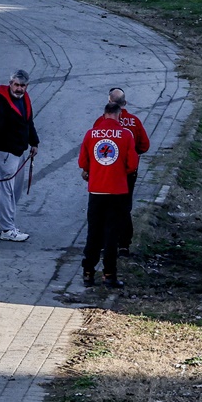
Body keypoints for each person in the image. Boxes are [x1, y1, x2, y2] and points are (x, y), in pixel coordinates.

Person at [79, 101, 140, 289]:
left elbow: (83, 161)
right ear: (119, 115)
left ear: (104, 114)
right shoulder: (126, 134)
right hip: (117, 191)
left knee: (93, 233)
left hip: (96, 191)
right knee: (112, 235)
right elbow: (132, 165)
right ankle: (109, 275)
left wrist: (93, 171)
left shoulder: (91, 133)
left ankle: (88, 272)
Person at [0, 68, 40, 242]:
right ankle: (8, 229)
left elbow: (28, 121)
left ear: (26, 86)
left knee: (16, 190)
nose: (19, 89)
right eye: (16, 85)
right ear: (10, 83)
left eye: (22, 86)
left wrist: (34, 142)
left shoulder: (25, 100)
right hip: (5, 153)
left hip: (19, 152)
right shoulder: (0, 104)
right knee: (7, 191)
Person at [109, 87, 151, 256]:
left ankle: (108, 241)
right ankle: (124, 243)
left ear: (109, 102)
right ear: (125, 103)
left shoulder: (101, 122)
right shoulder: (134, 121)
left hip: (108, 172)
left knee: (107, 205)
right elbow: (144, 146)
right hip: (129, 172)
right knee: (124, 207)